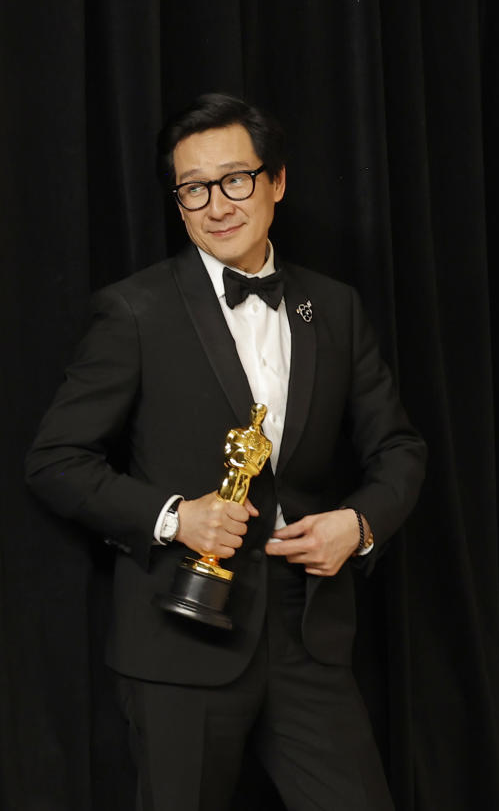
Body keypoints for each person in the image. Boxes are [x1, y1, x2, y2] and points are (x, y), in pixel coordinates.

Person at [25, 93, 427, 811]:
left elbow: (397, 446)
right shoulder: (134, 312)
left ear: (275, 181)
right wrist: (175, 518)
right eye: (194, 188)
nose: (217, 204)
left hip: (308, 640)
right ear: (178, 203)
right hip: (178, 639)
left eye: (235, 179)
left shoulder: (333, 308)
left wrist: (358, 525)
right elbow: (56, 459)